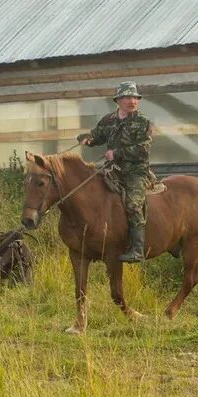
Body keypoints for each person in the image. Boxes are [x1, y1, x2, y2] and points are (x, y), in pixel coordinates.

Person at [77, 81, 153, 263]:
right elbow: (97, 136)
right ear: (118, 100)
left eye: (135, 97)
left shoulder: (143, 122)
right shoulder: (109, 120)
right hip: (112, 170)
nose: (132, 101)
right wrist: (86, 139)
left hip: (135, 172)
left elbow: (143, 150)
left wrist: (116, 153)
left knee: (134, 204)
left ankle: (137, 250)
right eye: (128, 97)